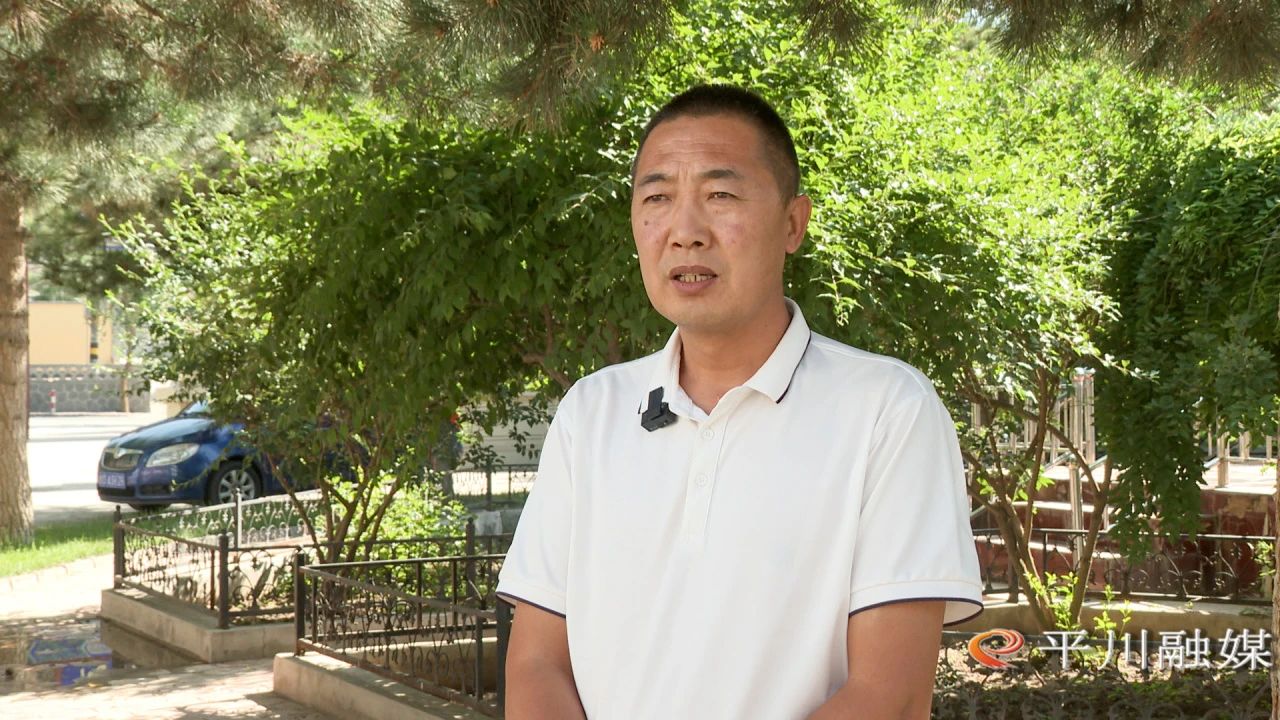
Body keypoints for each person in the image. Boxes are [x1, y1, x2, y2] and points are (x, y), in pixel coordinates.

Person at [495, 84, 983, 720]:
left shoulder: (887, 410)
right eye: (658, 198)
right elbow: (537, 663)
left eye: (720, 195)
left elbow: (889, 697)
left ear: (792, 223)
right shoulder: (591, 413)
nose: (685, 233)